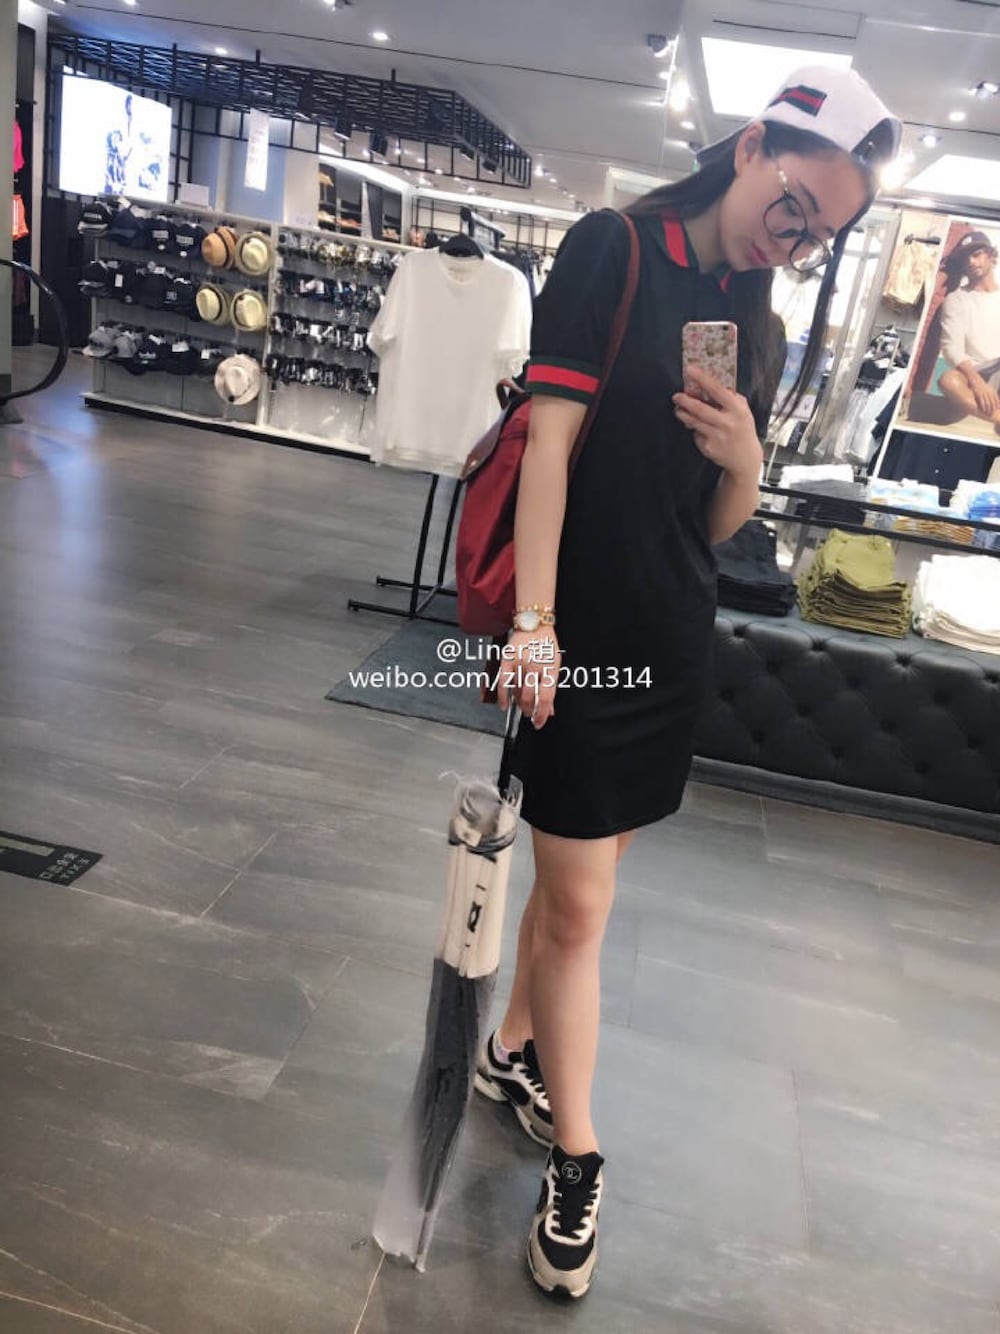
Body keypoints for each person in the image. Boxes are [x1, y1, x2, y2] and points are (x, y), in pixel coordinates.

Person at [473, 65, 900, 1300]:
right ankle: (578, 1153)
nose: (792, 239)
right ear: (754, 146)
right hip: (578, 636)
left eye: (818, 234)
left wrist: (746, 459)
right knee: (582, 908)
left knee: (576, 889)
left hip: (670, 635)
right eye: (794, 204)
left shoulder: (753, 318)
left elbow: (709, 526)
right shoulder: (613, 250)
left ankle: (511, 1047)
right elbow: (548, 446)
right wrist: (535, 623)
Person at [937, 230, 1000, 428]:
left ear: (991, 256)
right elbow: (951, 348)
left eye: (976, 254)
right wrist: (977, 382)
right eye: (966, 259)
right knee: (948, 381)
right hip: (977, 371)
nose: (971, 262)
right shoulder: (957, 299)